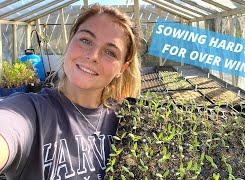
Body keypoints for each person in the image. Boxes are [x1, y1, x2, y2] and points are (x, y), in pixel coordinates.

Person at [0, 4, 141, 179]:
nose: (93, 55)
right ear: (70, 41)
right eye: (86, 40)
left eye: (110, 52)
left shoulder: (130, 122)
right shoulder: (31, 111)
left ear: (123, 67)